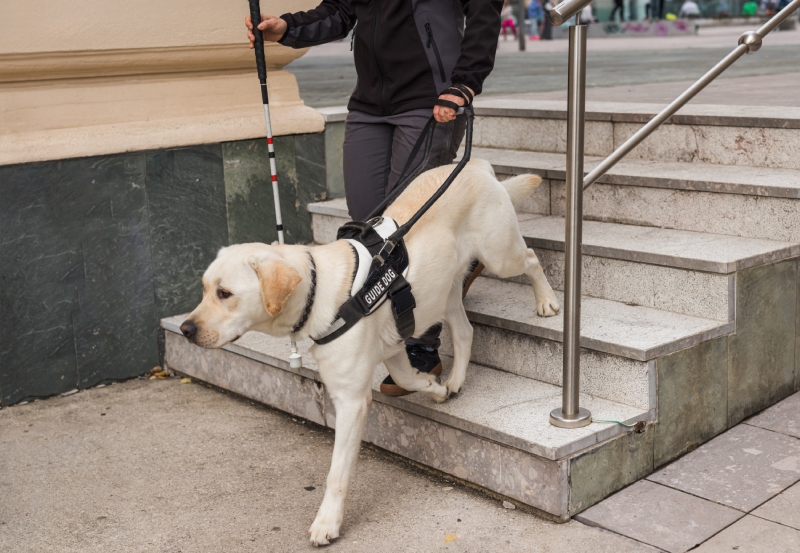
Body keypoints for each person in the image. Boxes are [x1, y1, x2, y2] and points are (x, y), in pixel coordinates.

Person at [246, 0, 503, 396]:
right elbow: (341, 11)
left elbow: (484, 13)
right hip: (369, 104)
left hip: (432, 100)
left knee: (407, 231)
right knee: (366, 226)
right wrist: (288, 28)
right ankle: (446, 273)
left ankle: (421, 346)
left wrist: (465, 82)